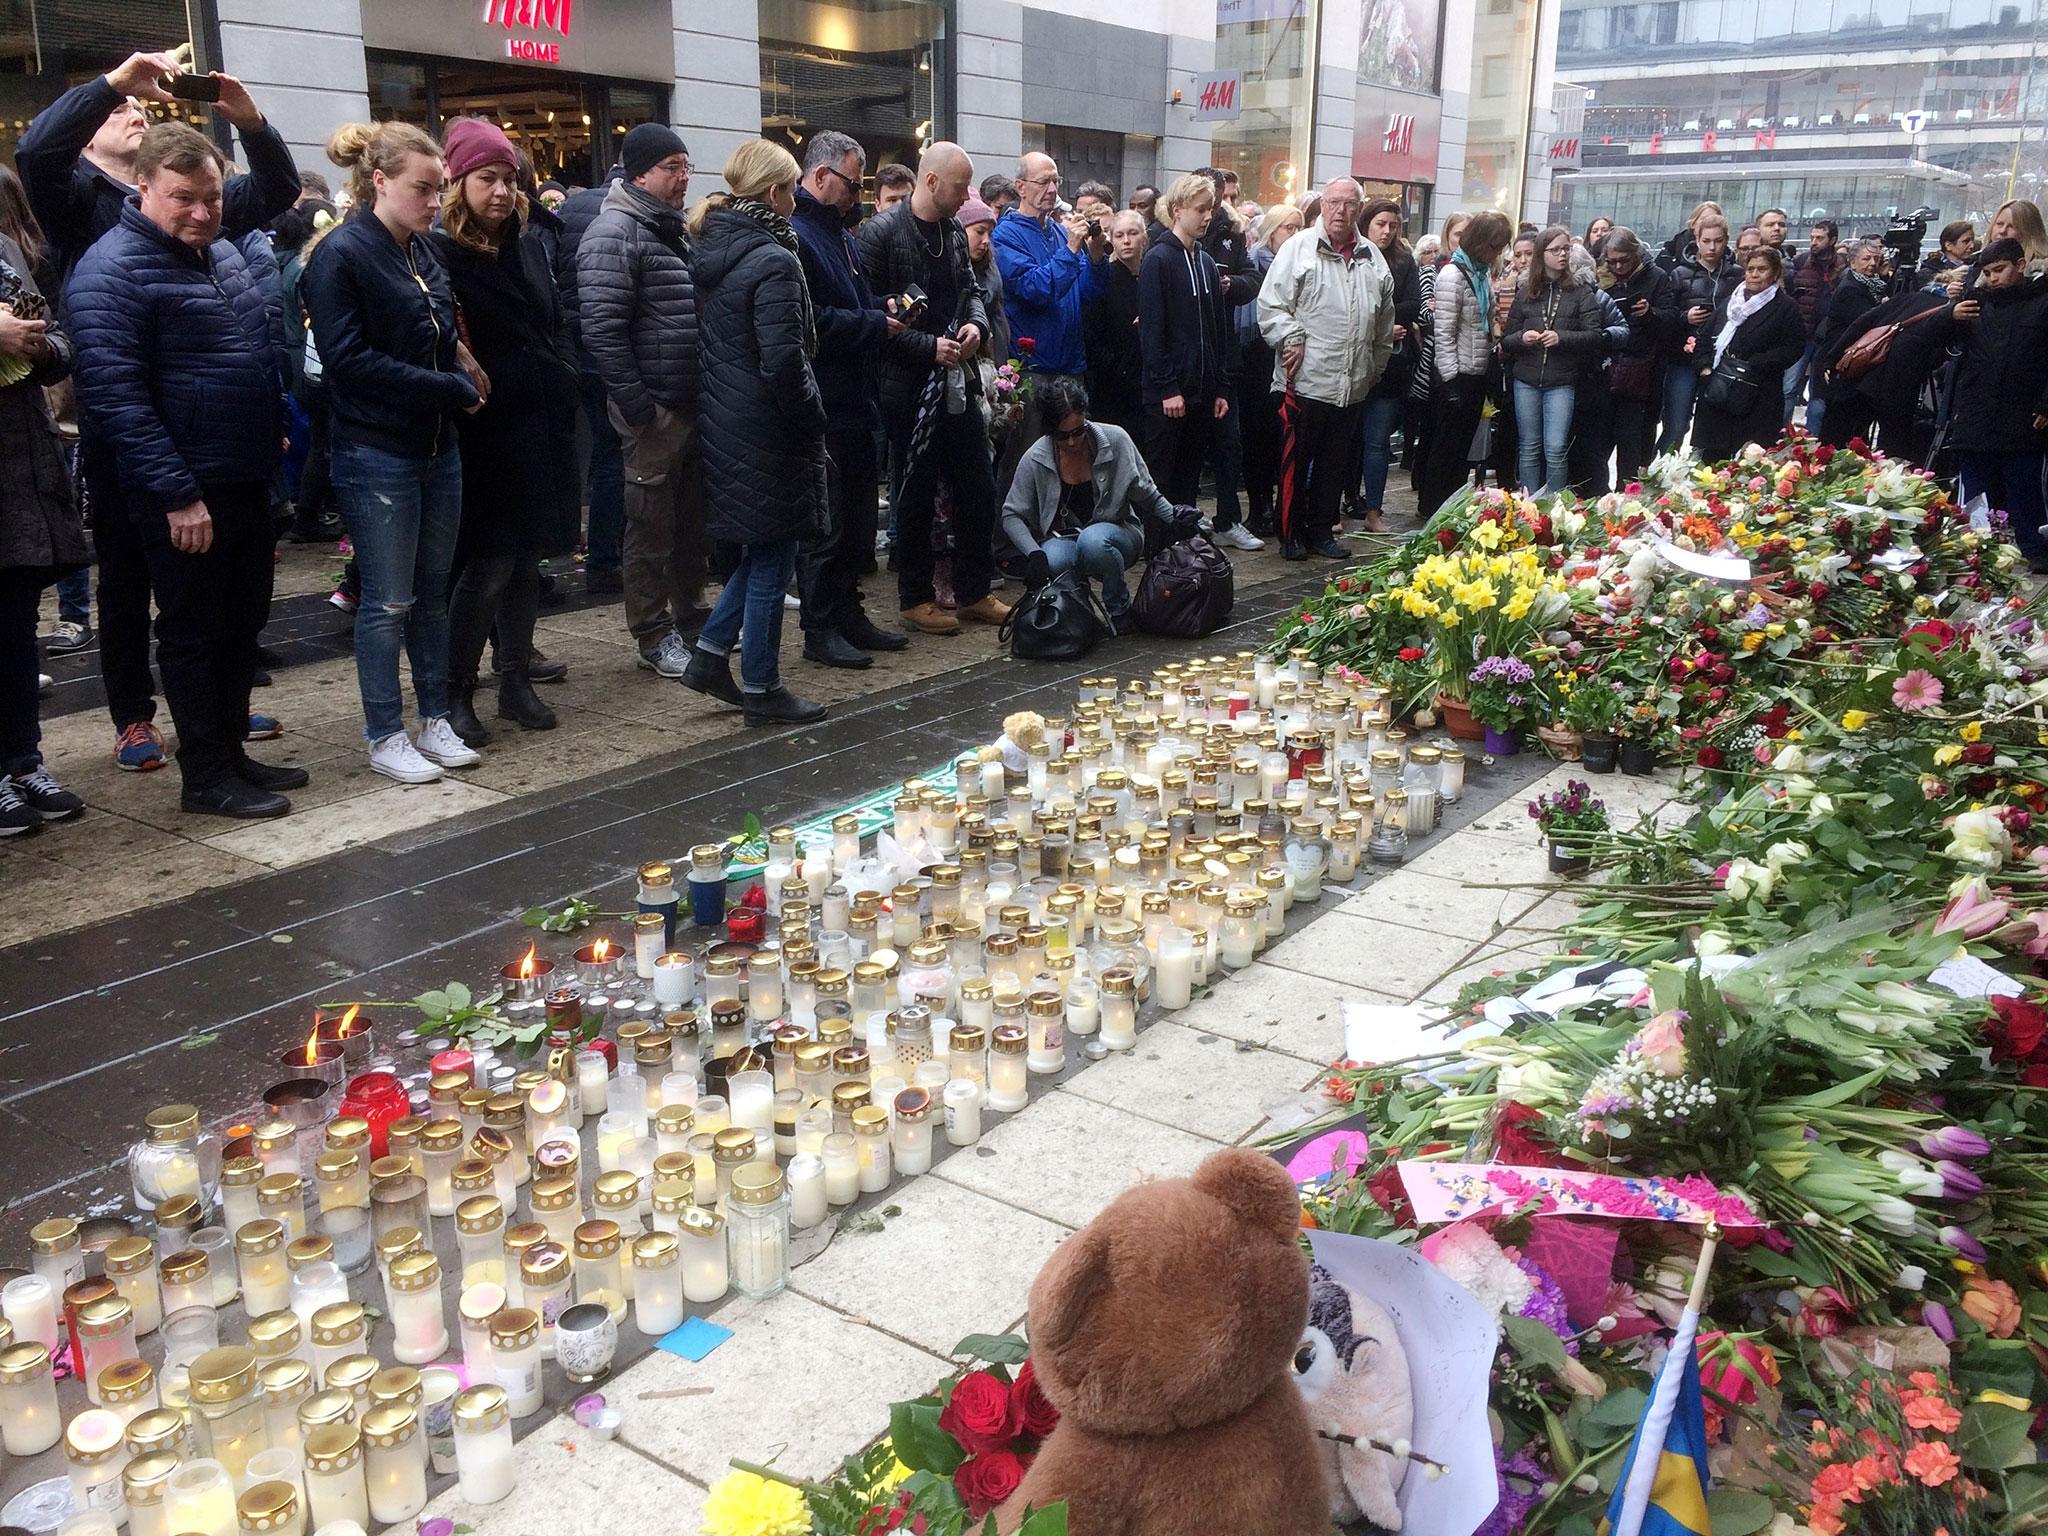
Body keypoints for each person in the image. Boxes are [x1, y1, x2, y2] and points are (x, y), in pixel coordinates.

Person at [19, 49, 299, 774]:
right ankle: (137, 718)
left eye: (143, 108)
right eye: (120, 112)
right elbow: (35, 149)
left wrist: (249, 119)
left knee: (216, 604)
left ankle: (212, 720)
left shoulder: (199, 205)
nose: (136, 113)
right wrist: (109, 83)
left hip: (210, 440)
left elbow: (274, 188)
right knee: (134, 583)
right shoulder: (80, 200)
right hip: (132, 432)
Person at [304, 121, 485, 786]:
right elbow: (348, 362)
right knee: (387, 600)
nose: (435, 201)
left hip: (436, 444)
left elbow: (437, 326)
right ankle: (384, 731)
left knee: (430, 594)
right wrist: (447, 385)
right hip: (377, 448)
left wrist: (460, 358)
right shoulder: (342, 255)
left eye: (439, 189)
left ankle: (433, 716)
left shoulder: (423, 250)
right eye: (422, 189)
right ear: (378, 181)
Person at [427, 119, 579, 748]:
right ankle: (455, 690)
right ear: (458, 181)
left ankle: (515, 677)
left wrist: (565, 372)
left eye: (508, 178)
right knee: (487, 564)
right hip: (485, 427)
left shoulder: (527, 241)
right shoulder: (439, 253)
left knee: (526, 559)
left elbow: (554, 317)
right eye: (485, 179)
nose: (498, 191)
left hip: (541, 419)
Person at [683, 140, 830, 725]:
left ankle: (711, 654)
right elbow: (783, 361)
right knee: (775, 555)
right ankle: (763, 687)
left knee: (765, 547)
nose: (796, 198)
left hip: (729, 417)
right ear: (774, 193)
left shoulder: (717, 244)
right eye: (792, 187)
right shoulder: (773, 258)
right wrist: (814, 414)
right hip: (768, 425)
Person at [859, 142, 1011, 635]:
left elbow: (972, 293)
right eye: (961, 185)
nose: (968, 193)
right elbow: (873, 317)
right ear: (931, 182)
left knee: (978, 486)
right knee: (916, 494)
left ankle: (972, 590)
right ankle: (915, 597)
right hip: (906, 386)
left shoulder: (949, 229)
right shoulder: (880, 233)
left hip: (954, 381)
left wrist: (974, 328)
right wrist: (930, 347)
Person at [578, 124, 710, 679]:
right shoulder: (615, 232)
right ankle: (653, 633)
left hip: (685, 402)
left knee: (689, 525)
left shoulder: (667, 228)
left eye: (686, 167)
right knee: (650, 527)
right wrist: (639, 409)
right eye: (672, 168)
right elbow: (603, 331)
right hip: (654, 410)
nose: (683, 179)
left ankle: (692, 617)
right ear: (640, 172)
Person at [790, 128, 906, 670]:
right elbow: (813, 323)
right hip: (826, 400)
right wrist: (873, 322)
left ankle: (849, 612)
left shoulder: (838, 234)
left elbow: (854, 303)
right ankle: (820, 625)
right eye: (851, 182)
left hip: (856, 397)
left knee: (858, 517)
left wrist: (890, 307)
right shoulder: (799, 235)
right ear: (819, 177)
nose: (857, 193)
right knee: (828, 521)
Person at [0, 222, 89, 833]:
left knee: (13, 628)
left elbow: (60, 345)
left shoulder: (5, 249)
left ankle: (22, 759)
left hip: (21, 465)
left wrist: (35, 345)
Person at [1256, 178, 1394, 560]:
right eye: (1333, 202)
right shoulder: (1298, 250)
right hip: (1305, 381)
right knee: (1295, 466)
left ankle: (1321, 531)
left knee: (1334, 466)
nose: (1340, 211)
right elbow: (1270, 308)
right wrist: (1292, 336)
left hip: (1352, 383)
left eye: (1350, 205)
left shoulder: (1372, 258)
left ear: (1359, 209)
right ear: (1322, 206)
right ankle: (1291, 534)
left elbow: (1383, 324)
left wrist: (1374, 368)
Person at [1002, 378, 1173, 629]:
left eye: (1078, 431)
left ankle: (1119, 608)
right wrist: (1034, 553)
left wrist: (1176, 517)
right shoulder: (1036, 457)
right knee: (1053, 556)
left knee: (1093, 540)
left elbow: (1147, 493)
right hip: (1066, 539)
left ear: (1086, 418)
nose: (1071, 441)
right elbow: (1011, 514)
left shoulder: (1115, 439)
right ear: (1050, 430)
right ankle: (1077, 612)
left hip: (1117, 534)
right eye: (1063, 435)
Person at [1933, 237, 2048, 571]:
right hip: (1975, 415)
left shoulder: (2041, 303)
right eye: (1987, 272)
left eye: (2000, 270)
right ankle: (1977, 548)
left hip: (2023, 417)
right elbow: (1937, 343)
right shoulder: (1974, 303)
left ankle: (2036, 549)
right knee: (1976, 495)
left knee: (2024, 490)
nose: (1993, 278)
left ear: (2020, 266)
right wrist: (1950, 315)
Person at [994, 151, 1107, 476]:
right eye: (1043, 181)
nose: (1052, 188)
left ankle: (1057, 526)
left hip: (1070, 364)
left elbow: (1089, 292)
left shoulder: (1059, 231)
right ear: (1021, 187)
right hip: (1034, 369)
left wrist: (1097, 257)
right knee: (1027, 462)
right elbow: (1034, 289)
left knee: (1069, 460)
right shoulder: (1006, 235)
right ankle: (1012, 527)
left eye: (1056, 180)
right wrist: (1072, 249)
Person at [555, 157, 629, 594]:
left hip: (577, 345)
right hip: (607, 352)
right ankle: (605, 560)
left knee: (600, 455)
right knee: (613, 457)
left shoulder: (572, 208)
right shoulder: (618, 216)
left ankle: (597, 554)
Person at [1137, 172, 1229, 507]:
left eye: (1211, 208)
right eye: (1200, 209)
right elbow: (1152, 331)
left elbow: (1217, 330)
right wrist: (1167, 387)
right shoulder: (1158, 260)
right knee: (1162, 481)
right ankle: (1160, 554)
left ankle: (1185, 554)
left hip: (1201, 393)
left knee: (1189, 482)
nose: (1208, 216)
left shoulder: (1205, 261)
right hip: (1169, 395)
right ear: (1177, 209)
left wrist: (1220, 387)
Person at [1419, 210, 1512, 516]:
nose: (1496, 254)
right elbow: (1443, 333)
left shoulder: (1480, 273)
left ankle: (1451, 508)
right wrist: (1450, 383)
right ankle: (1434, 509)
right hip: (1457, 376)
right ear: (1479, 242)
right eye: (1493, 247)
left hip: (1476, 371)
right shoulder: (1452, 275)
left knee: (1461, 452)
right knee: (1445, 450)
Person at [1501, 225, 1603, 497]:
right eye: (1555, 249)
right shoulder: (1525, 292)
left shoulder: (1580, 292)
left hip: (1561, 379)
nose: (1562, 254)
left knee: (1556, 446)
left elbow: (1595, 336)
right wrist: (1523, 337)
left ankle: (1556, 505)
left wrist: (1562, 338)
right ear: (1542, 254)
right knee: (1529, 446)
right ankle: (1528, 503)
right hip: (1527, 378)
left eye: (1566, 249)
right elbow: (1507, 339)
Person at [1688, 243, 1804, 462]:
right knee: (1713, 462)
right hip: (1720, 388)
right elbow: (1706, 336)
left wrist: (1759, 363)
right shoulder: (1732, 301)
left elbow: (1794, 347)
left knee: (1752, 460)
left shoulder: (1785, 307)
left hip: (1759, 391)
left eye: (1762, 269)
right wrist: (1704, 367)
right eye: (1750, 269)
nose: (1754, 275)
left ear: (1774, 273)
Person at [1353, 198, 1422, 532]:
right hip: (1353, 360)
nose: (1386, 231)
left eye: (1393, 225)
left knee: (1378, 441)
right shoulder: (1354, 254)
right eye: (1381, 224)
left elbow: (1413, 304)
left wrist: (1387, 318)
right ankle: (1338, 503)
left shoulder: (1403, 260)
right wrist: (1382, 322)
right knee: (1346, 440)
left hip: (1390, 365)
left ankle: (1374, 510)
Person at [1238, 204, 1301, 536]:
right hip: (1253, 360)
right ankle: (1258, 505)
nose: (1293, 235)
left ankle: (1281, 506)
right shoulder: (1255, 263)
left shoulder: (1300, 266)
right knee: (1255, 439)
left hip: (1285, 361)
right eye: (1287, 228)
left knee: (1280, 437)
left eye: (1297, 228)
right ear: (1271, 231)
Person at [1601, 227, 1676, 484]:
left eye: (1624, 260)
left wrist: (1649, 313)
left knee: (1632, 439)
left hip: (1642, 369)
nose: (1619, 266)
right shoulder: (1603, 278)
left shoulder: (1656, 277)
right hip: (1607, 365)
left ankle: (1628, 490)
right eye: (1613, 261)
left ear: (1636, 254)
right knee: (1601, 442)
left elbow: (1670, 319)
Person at [1660, 212, 1737, 452]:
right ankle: (1657, 475)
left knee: (1712, 427)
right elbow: (1666, 315)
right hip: (1683, 357)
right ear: (1697, 239)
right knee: (1676, 426)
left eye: (1718, 241)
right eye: (1706, 241)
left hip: (1721, 359)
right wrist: (1686, 317)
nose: (1712, 247)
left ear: (1726, 240)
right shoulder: (1679, 274)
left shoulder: (1737, 274)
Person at [1809, 238, 1890, 449]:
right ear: (1853, 263)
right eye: (1866, 258)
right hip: (1840, 362)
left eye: (1876, 258)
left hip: (1852, 364)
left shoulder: (1873, 285)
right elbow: (1866, 322)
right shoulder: (1851, 289)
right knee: (1838, 426)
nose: (1872, 263)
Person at [1085, 208, 1146, 436]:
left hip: (1146, 381)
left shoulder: (1151, 275)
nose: (1127, 241)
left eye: (1133, 233)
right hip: (1112, 385)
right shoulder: (1106, 277)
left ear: (1144, 237)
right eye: (1119, 235)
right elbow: (1092, 332)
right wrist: (1117, 368)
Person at [1784, 219, 1842, 425]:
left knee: (1819, 392)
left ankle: (1814, 440)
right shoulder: (1801, 262)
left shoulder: (1843, 266)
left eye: (1820, 238)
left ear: (1833, 240)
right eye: (1812, 238)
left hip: (1827, 339)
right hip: (1802, 335)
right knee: (1789, 387)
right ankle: (1779, 435)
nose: (1814, 242)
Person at [960, 194, 1010, 374]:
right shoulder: (956, 271)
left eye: (990, 233)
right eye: (980, 232)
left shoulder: (990, 267)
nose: (986, 241)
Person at [1656, 200, 1721, 273]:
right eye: (1704, 219)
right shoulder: (1670, 251)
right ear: (1693, 223)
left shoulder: (1727, 258)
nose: (1709, 223)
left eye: (1714, 220)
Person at [1918, 220, 1977, 285]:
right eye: (1966, 241)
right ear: (1948, 246)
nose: (1972, 246)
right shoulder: (1929, 271)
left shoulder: (1976, 266)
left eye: (1972, 240)